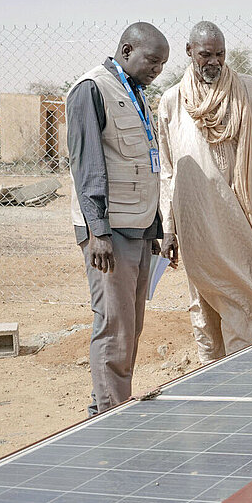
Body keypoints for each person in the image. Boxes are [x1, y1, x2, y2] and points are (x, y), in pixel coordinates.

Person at [156, 21, 252, 364]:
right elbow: (167, 169)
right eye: (205, 55)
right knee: (205, 298)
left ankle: (250, 368)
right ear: (189, 53)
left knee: (246, 288)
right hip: (196, 221)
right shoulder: (172, 101)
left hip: (240, 215)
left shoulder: (250, 91)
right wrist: (168, 228)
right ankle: (213, 369)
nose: (213, 61)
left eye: (220, 54)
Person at [65, 22, 169, 416]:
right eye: (153, 61)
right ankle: (111, 416)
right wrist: (98, 232)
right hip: (109, 232)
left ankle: (106, 405)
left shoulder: (135, 94)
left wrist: (154, 227)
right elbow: (87, 164)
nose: (157, 70)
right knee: (114, 325)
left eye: (162, 64)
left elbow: (145, 165)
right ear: (127, 50)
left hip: (139, 228)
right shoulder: (91, 90)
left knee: (130, 325)